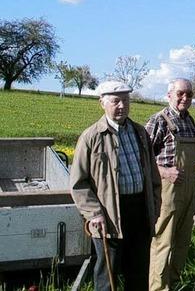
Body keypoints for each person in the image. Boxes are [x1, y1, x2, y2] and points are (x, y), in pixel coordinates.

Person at [70, 81, 161, 291]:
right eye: (115, 101)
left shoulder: (140, 132)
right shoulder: (91, 137)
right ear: (102, 102)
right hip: (108, 216)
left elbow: (153, 176)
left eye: (125, 100)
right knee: (106, 275)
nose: (121, 106)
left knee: (138, 271)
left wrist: (154, 207)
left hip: (139, 211)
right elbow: (78, 183)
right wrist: (94, 213)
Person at [147, 78, 195, 291]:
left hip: (188, 190)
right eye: (180, 93)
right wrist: (164, 171)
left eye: (189, 94)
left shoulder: (190, 121)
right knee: (163, 242)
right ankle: (158, 287)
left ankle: (174, 283)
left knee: (182, 243)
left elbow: (192, 163)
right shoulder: (158, 121)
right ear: (169, 94)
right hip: (167, 191)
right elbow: (143, 158)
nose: (185, 98)